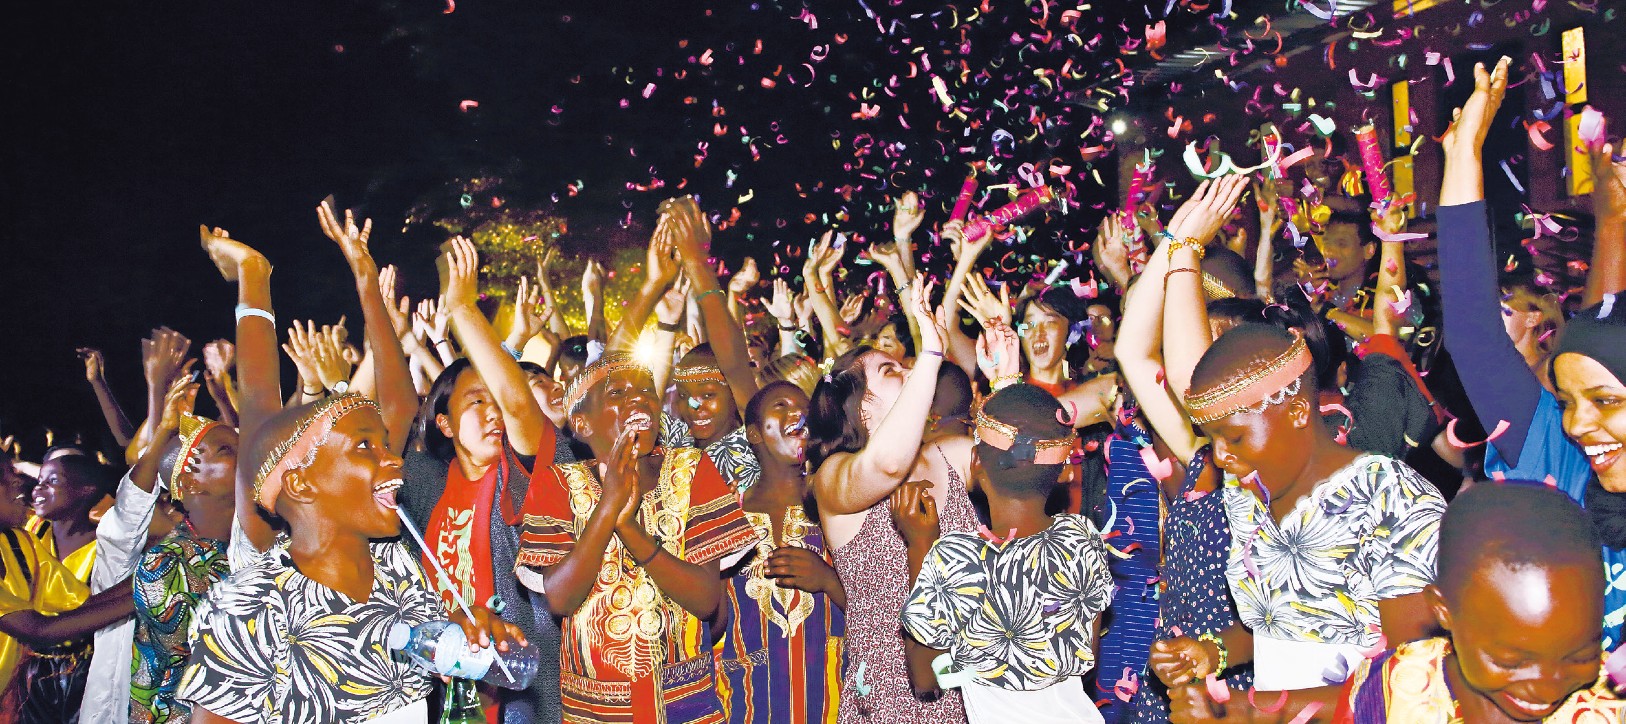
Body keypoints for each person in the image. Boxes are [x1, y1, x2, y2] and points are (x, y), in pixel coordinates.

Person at [1148, 322, 1445, 719]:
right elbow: (1289, 626)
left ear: (1298, 411)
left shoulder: (1392, 500)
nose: (1219, 457)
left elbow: (1410, 683)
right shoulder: (1246, 496)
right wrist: (1212, 651)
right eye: (1210, 438)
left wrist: (1248, 713)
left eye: (1233, 437)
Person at [1436, 56, 1626, 649]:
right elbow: (1472, 331)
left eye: (1604, 400)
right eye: (1568, 400)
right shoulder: (1566, 461)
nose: (1580, 424)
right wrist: (1464, 153)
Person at [515, 351, 759, 723]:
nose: (639, 398)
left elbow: (707, 600)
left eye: (648, 390)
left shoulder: (692, 471)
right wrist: (608, 504)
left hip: (684, 699)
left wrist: (628, 527)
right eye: (616, 393)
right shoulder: (556, 483)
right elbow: (561, 599)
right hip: (596, 707)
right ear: (582, 424)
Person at [398, 236, 563, 723]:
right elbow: (389, 414)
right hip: (446, 696)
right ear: (445, 424)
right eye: (475, 402)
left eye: (498, 400)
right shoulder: (427, 484)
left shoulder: (524, 476)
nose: (494, 413)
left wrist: (464, 311)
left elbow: (519, 407)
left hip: (528, 698)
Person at [809, 278, 975, 723]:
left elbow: (1015, 466)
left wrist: (1006, 376)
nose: (909, 372)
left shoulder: (946, 456)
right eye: (890, 372)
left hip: (966, 683)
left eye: (906, 366)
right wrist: (930, 354)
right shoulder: (834, 477)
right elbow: (885, 466)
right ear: (860, 409)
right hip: (887, 691)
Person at [899, 383, 1112, 723]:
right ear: (1064, 472)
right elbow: (1088, 655)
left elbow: (926, 678)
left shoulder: (957, 557)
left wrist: (920, 544)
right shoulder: (1083, 537)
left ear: (974, 462)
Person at [715, 381, 847, 724]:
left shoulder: (839, 504)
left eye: (805, 407)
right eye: (781, 405)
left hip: (835, 697)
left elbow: (884, 606)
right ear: (754, 434)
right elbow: (705, 621)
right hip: (748, 703)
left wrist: (829, 581)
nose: (798, 413)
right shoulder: (725, 514)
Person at [0, 451, 137, 724]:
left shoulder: (18, 543)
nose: (20, 484)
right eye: (6, 477)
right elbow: (39, 630)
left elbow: (79, 606)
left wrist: (151, 574)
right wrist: (150, 590)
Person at [129, 412, 237, 724]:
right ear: (190, 481)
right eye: (227, 450)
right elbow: (189, 665)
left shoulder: (263, 541)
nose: (249, 453)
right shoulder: (165, 564)